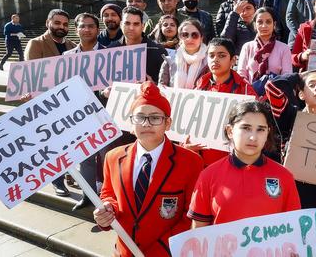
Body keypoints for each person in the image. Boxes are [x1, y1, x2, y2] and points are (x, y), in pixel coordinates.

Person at [93, 81, 204, 256]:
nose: (146, 124)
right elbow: (109, 194)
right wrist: (108, 210)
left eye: (155, 117)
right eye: (140, 117)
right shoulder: (113, 157)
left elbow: (190, 215)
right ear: (131, 123)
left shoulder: (191, 162)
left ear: (168, 123)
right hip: (124, 251)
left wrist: (159, 251)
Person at [187, 101, 300, 226]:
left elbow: (293, 229)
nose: (253, 137)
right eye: (246, 128)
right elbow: (198, 232)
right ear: (230, 131)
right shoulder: (208, 176)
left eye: (260, 130)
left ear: (268, 132)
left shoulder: (284, 176)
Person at [265, 70, 316, 210]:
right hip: (293, 194)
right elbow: (272, 86)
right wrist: (298, 76)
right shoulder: (289, 116)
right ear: (301, 94)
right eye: (311, 85)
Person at [24, 9, 76, 197]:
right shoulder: (36, 44)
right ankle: (57, 181)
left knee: (69, 142)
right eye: (57, 23)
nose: (61, 27)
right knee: (53, 145)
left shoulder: (72, 44)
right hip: (47, 104)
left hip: (68, 102)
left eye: (64, 24)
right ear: (48, 23)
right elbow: (31, 75)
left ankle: (71, 174)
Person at [63, 13, 105, 210]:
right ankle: (88, 196)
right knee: (85, 159)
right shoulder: (66, 58)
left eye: (90, 26)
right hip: (80, 117)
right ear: (76, 29)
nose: (86, 30)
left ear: (98, 30)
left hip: (105, 115)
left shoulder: (112, 55)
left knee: (106, 158)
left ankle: (106, 198)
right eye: (82, 26)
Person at [194, 38, 257, 167]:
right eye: (211, 55)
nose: (215, 59)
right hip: (200, 159)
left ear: (233, 60)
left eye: (221, 55)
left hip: (232, 160)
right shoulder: (199, 87)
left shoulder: (245, 90)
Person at [108, 6, 168, 83]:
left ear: (142, 26)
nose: (131, 28)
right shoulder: (110, 50)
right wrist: (104, 92)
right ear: (121, 24)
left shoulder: (158, 51)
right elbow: (101, 86)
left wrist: (153, 85)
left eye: (136, 24)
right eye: (127, 23)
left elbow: (167, 86)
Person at [237, 7, 292, 86]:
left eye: (268, 22)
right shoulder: (247, 47)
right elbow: (241, 74)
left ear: (274, 24)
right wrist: (252, 91)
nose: (264, 26)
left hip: (276, 94)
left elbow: (287, 76)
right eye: (260, 22)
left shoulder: (284, 48)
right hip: (250, 94)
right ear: (255, 24)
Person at [158, 19, 208, 89]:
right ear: (180, 38)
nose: (189, 39)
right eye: (185, 35)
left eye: (194, 35)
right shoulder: (170, 60)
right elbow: (162, 87)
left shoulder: (210, 61)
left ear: (201, 38)